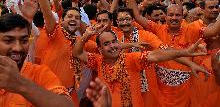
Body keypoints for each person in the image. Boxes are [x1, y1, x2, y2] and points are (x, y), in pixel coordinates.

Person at [125, 0, 220, 107]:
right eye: (171, 15)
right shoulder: (157, 28)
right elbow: (137, 16)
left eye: (177, 15)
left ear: (182, 17)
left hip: (185, 88)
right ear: (165, 16)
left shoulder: (191, 29)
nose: (174, 18)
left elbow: (212, 31)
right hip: (161, 86)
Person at [73, 29, 207, 107]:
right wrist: (85, 36)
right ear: (100, 49)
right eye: (107, 44)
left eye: (115, 42)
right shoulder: (97, 61)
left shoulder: (131, 59)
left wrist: (184, 52)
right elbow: (77, 53)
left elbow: (156, 55)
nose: (113, 46)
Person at [22, 0, 97, 106]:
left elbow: (102, 47)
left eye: (77, 18)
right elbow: (47, 14)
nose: (73, 19)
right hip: (46, 95)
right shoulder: (56, 32)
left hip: (70, 97)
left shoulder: (83, 43)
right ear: (62, 20)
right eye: (69, 17)